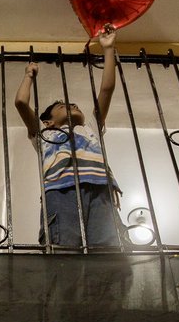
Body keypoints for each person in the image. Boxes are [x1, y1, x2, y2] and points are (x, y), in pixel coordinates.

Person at [15, 24, 121, 247]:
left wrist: (109, 50)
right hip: (60, 191)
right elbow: (21, 102)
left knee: (109, 250)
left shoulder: (89, 129)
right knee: (65, 247)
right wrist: (28, 76)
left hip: (100, 188)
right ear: (48, 122)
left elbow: (106, 89)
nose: (71, 104)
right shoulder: (44, 135)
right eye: (63, 106)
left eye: (73, 104)